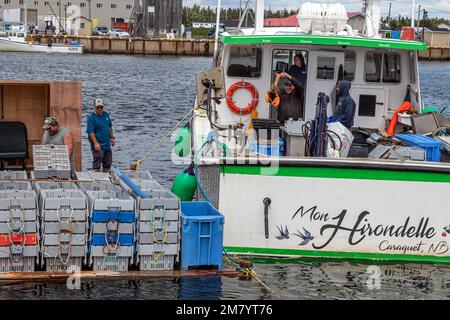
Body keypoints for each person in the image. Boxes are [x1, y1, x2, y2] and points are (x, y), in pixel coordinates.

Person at [87, 98, 116, 172]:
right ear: (94, 107)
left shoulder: (106, 114)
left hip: (107, 144)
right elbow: (91, 132)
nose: (99, 109)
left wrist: (112, 138)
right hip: (98, 144)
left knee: (108, 162)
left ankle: (107, 175)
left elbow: (109, 126)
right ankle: (96, 175)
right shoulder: (91, 118)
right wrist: (96, 143)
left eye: (101, 107)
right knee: (97, 161)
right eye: (98, 107)